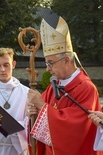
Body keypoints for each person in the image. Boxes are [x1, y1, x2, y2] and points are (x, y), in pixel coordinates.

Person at [26, 16, 103, 155]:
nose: (48, 69)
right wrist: (33, 113)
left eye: (51, 63)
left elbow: (76, 131)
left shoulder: (86, 88)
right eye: (46, 63)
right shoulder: (52, 87)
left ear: (67, 60)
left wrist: (42, 107)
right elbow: (40, 122)